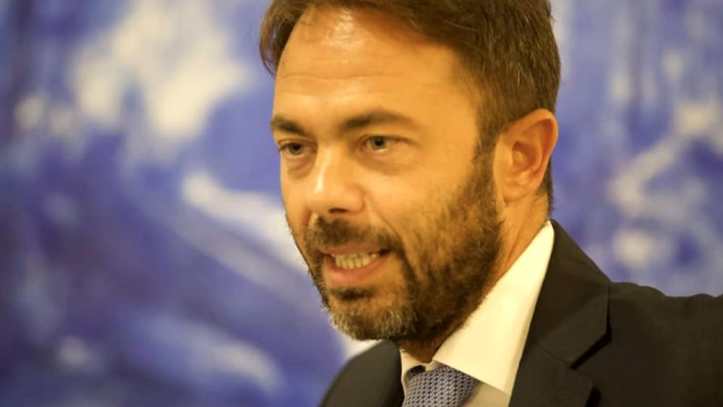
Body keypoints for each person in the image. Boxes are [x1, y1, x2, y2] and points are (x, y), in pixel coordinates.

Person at [259, 1, 723, 406]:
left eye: (378, 142)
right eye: (296, 147)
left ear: (522, 157)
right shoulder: (353, 392)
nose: (322, 194)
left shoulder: (703, 370)